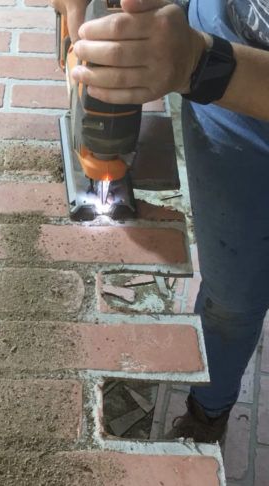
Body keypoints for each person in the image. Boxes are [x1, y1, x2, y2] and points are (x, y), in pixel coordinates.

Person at [52, 0, 269, 443]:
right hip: (227, 35)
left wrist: (198, 63)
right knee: (233, 298)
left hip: (231, 72)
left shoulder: (203, 61)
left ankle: (209, 411)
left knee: (236, 297)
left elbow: (200, 62)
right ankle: (209, 411)